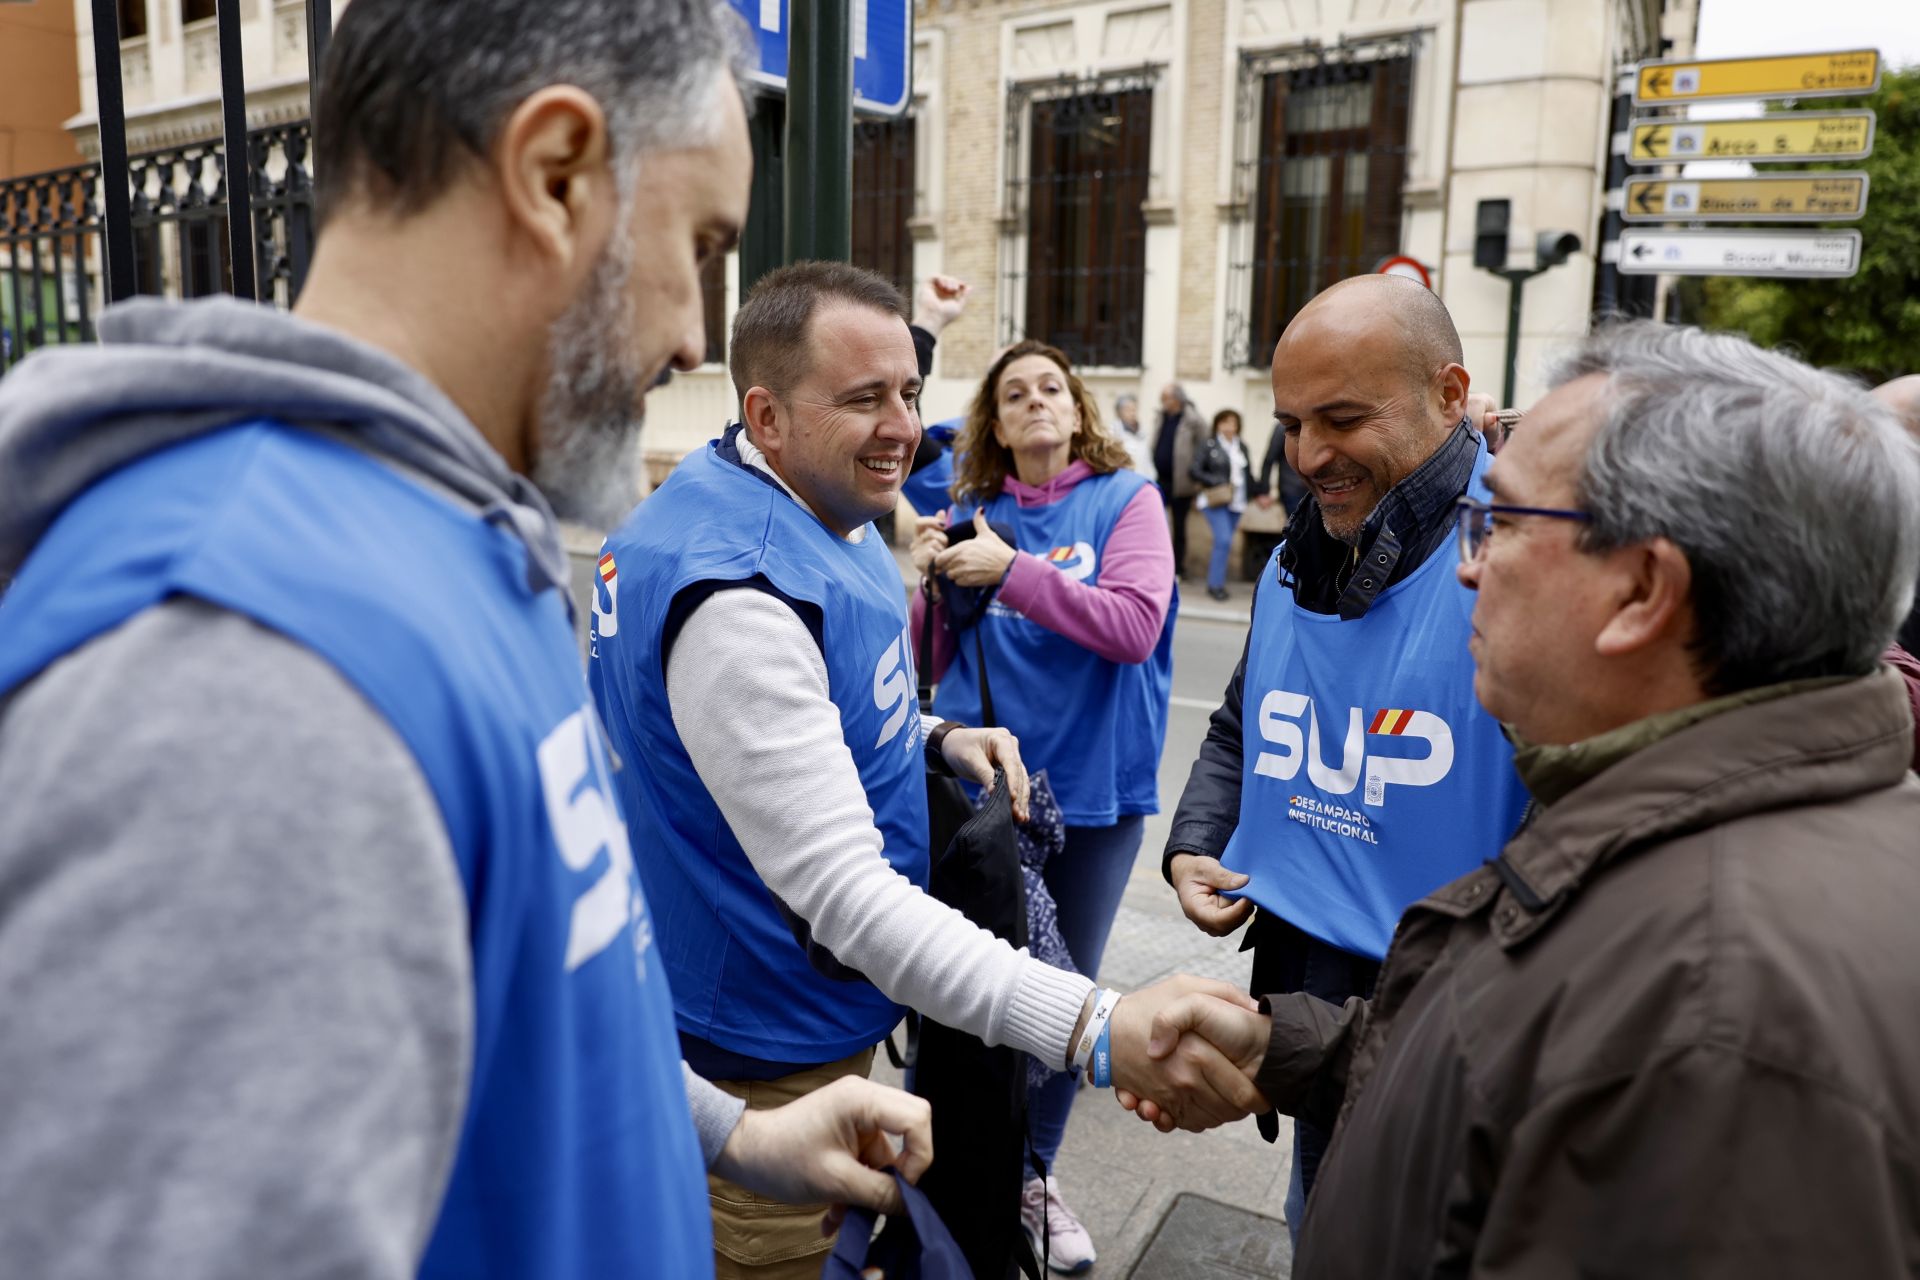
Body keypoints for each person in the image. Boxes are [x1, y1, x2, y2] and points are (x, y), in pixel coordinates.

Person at [0, 5, 940, 1278]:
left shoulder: (445, 534)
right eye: (700, 243)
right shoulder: (245, 669)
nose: (685, 335)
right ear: (555, 175)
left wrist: (733, 1134)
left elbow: (524, 1002)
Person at [1135, 321, 1920, 1277]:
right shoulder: (1691, 860)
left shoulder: (1723, 1007)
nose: (1468, 566)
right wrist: (1282, 1046)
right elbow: (1505, 1055)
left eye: (1501, 524)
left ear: (1641, 591)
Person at [588, 263, 1259, 1279]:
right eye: (865, 398)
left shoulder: (807, 501)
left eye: (909, 390)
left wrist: (938, 733)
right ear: (764, 416)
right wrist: (1100, 1026)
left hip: (789, 1019)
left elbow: (827, 701)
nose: (903, 424)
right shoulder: (739, 596)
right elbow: (847, 895)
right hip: (763, 1053)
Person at [1160, 274, 1531, 1244]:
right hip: (1312, 1000)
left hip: (1466, 1024)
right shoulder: (1302, 551)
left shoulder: (1532, 553)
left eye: (1343, 417)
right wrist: (1198, 838)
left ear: (1452, 393)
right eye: (1291, 422)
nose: (1310, 454)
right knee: (1321, 1223)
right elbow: (1246, 719)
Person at [907, 338, 1178, 1270]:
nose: (1034, 403)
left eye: (1051, 388)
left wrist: (1014, 574)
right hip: (998, 800)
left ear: (1078, 407)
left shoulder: (1125, 501)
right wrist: (939, 579)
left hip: (1096, 797)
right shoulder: (971, 510)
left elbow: (1135, 626)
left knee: (1068, 996)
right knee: (980, 989)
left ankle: (1039, 1176)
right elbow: (927, 665)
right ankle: (963, 1165)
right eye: (1013, 392)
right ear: (993, 418)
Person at [1190, 408, 1255, 601]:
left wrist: (1258, 491)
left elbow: (1248, 473)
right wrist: (1216, 481)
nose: (1229, 427)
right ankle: (1215, 585)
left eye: (1233, 423)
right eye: (1225, 422)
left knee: (1224, 544)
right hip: (1215, 500)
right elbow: (1194, 470)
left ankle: (1217, 582)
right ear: (1218, 424)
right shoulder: (1209, 445)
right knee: (1224, 540)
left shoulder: (1241, 446)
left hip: (1237, 502)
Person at [1152, 382, 1211, 579]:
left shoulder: (1194, 421)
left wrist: (1198, 484)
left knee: (1179, 527)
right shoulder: (1161, 417)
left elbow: (1204, 451)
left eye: (1165, 398)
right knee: (1156, 524)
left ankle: (1177, 569)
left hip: (1182, 484)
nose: (1162, 403)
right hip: (1160, 480)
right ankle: (1156, 565)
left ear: (1176, 400)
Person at [1112, 392, 1154, 474]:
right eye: (1127, 410)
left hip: (1144, 480)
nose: (1132, 413)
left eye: (1134, 409)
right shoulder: (1113, 434)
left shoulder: (1143, 432)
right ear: (1119, 412)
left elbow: (1148, 460)